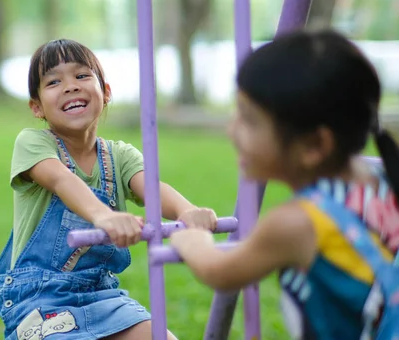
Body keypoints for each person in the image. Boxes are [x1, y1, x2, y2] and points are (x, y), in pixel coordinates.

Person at [171, 29, 399, 340]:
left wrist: (192, 241)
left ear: (315, 146)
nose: (232, 129)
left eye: (249, 120)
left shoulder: (298, 222)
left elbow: (220, 271)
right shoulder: (386, 179)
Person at [0, 38, 218, 340]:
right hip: (39, 299)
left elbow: (152, 188)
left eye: (82, 75)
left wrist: (186, 210)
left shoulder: (118, 156)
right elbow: (62, 180)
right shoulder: (34, 144)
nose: (70, 86)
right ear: (37, 107)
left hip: (101, 294)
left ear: (106, 92)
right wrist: (104, 216)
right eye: (54, 81)